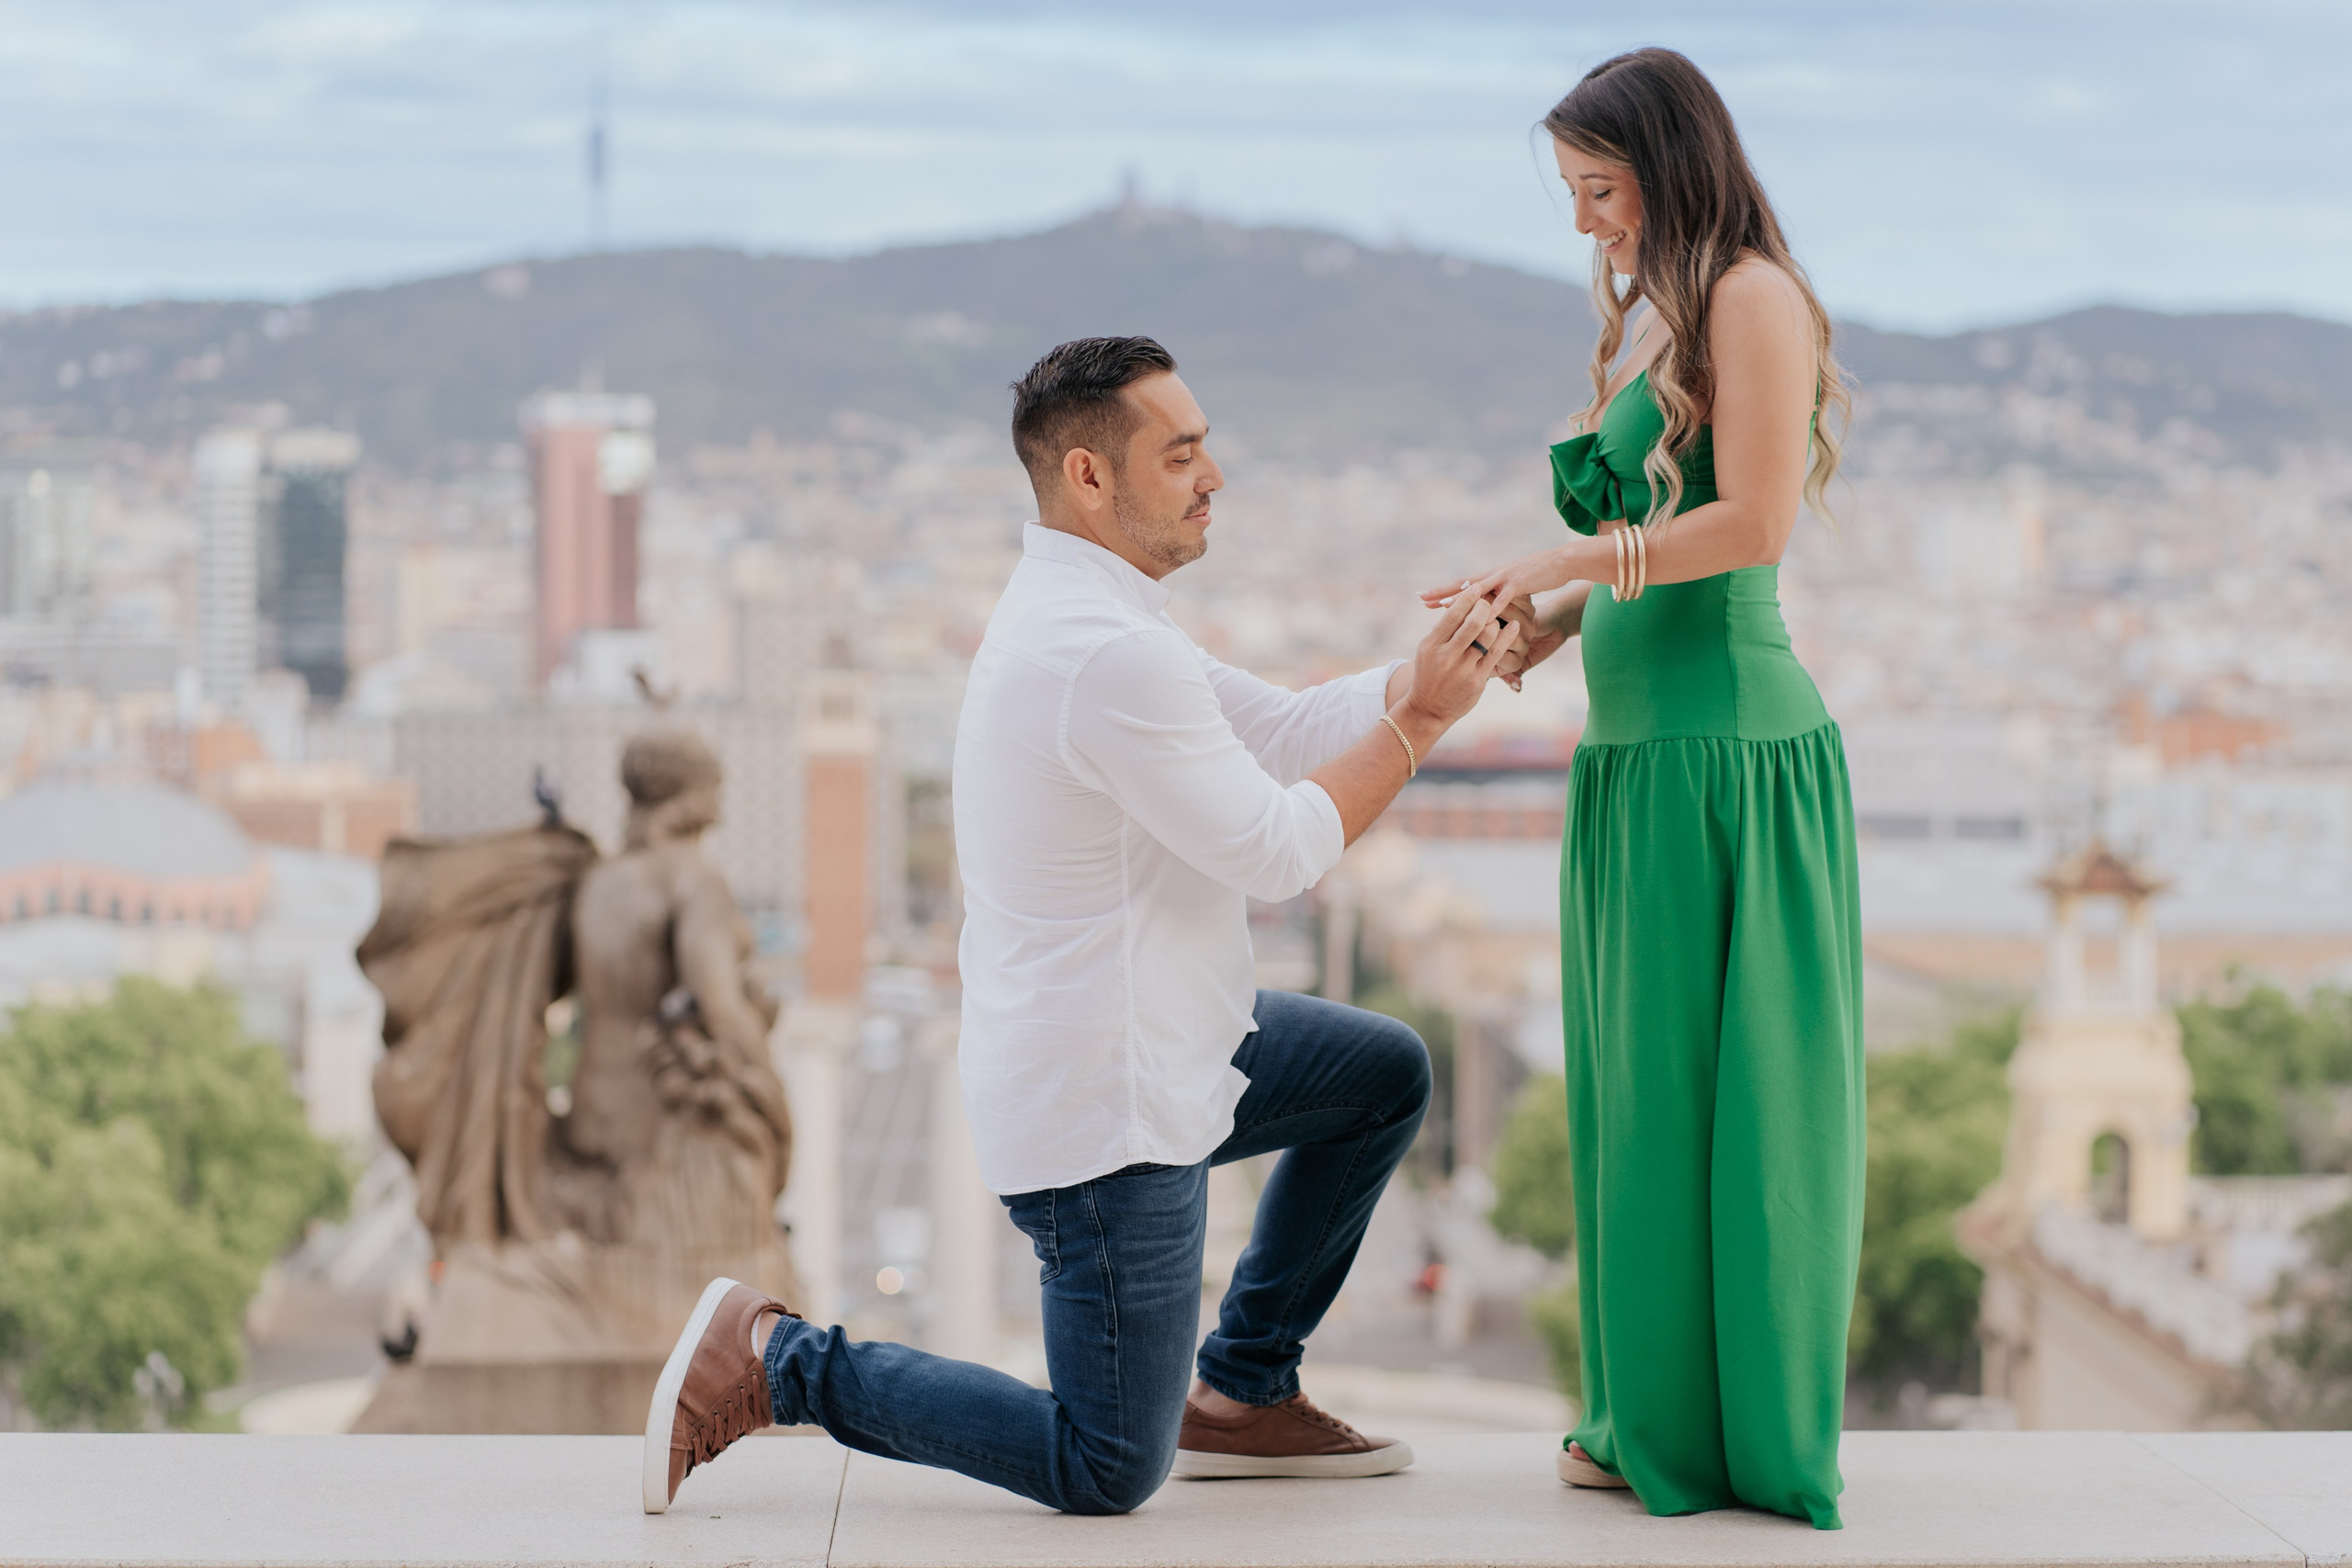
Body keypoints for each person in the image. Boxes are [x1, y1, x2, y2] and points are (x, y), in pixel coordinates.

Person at [642, 335, 1521, 1516]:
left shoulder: (1101, 615)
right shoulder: (1100, 650)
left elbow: (1277, 730)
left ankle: (1243, 1391)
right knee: (1105, 1466)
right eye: (1183, 455)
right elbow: (1277, 849)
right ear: (1089, 476)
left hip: (1174, 1039)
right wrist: (1422, 721)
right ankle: (776, 1361)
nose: (1214, 477)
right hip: (1109, 1109)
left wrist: (1432, 669)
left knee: (1380, 1074)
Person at [1426, 49, 1862, 1529]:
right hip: (1636, 759)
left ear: (1672, 167)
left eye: (1599, 188)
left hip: (1722, 758)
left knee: (1736, 1105)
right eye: (1571, 192)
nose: (1583, 222)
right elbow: (1657, 552)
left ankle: (1721, 1431)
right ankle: (1651, 1416)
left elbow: (1752, 526)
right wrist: (1540, 627)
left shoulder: (1750, 295)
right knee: (1641, 1103)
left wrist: (1560, 557)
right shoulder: (1679, 311)